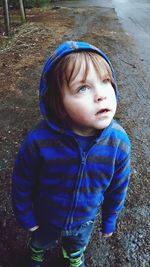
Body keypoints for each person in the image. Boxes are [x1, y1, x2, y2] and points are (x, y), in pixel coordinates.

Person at [12, 41, 131, 267]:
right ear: (58, 102)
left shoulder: (119, 143)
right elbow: (22, 181)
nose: (101, 95)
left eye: (106, 82)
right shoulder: (39, 141)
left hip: (84, 219)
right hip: (46, 216)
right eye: (83, 88)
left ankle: (73, 255)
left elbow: (118, 187)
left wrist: (109, 220)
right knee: (41, 240)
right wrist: (25, 215)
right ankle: (36, 251)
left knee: (76, 243)